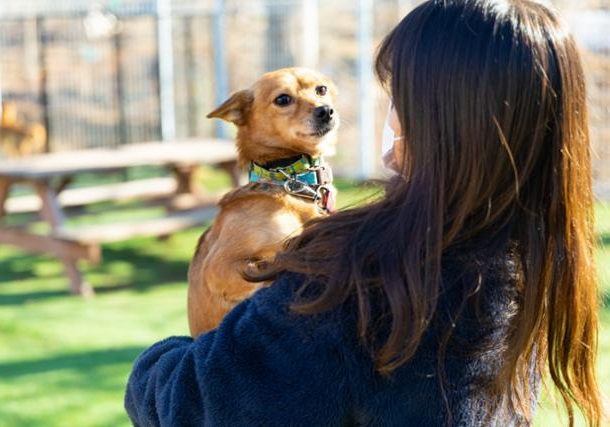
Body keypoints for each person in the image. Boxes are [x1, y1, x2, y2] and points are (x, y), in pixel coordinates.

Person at [124, 0, 602, 425]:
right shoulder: (533, 267)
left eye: (397, 96)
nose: (389, 113)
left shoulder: (354, 275)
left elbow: (195, 404)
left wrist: (160, 360)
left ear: (433, 118)